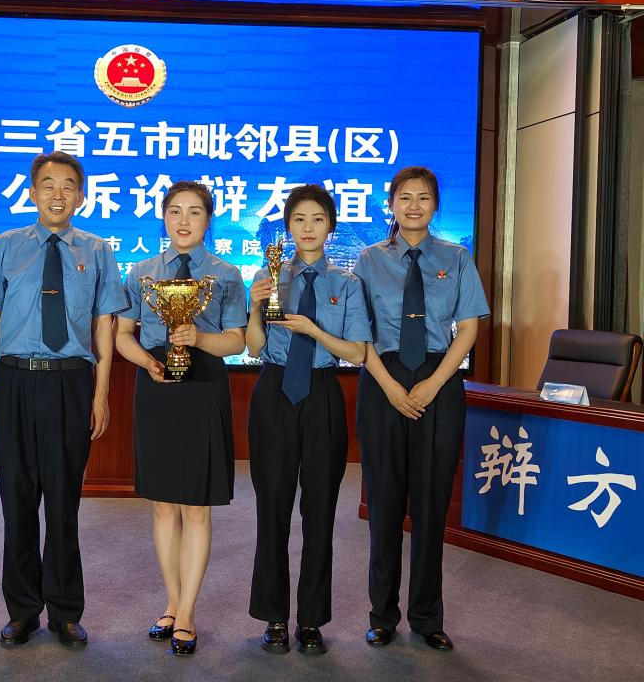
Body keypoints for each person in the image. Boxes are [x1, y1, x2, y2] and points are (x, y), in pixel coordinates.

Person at [0, 150, 126, 649]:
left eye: (67, 186)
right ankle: (22, 611)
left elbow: (104, 325)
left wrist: (100, 394)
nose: (57, 194)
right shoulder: (6, 246)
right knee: (17, 501)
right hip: (14, 381)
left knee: (64, 503)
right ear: (32, 192)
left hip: (70, 381)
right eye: (48, 185)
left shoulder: (97, 250)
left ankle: (65, 611)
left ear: (81, 196)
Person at [352, 165, 489, 651]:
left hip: (439, 378)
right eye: (405, 197)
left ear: (435, 205)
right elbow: (358, 331)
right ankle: (382, 616)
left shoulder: (457, 257)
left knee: (431, 506)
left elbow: (468, 328)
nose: (413, 205)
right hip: (382, 378)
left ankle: (428, 617)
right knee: (385, 504)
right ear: (391, 203)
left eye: (424, 197)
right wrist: (390, 386)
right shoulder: (369, 259)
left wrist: (434, 382)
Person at [115, 180, 246, 656]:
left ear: (208, 220)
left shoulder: (226, 274)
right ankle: (172, 603)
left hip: (204, 386)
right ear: (164, 217)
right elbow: (122, 335)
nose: (184, 220)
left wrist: (199, 339)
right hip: (157, 384)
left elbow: (238, 340)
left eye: (194, 212)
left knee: (195, 507)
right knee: (163, 506)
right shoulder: (142, 272)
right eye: (175, 211)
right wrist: (148, 363)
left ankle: (187, 612)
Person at [244, 184, 370, 655]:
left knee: (319, 512)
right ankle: (274, 617)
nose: (308, 228)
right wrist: (255, 306)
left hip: (322, 393)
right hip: (273, 390)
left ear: (330, 227)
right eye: (299, 220)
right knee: (272, 508)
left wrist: (313, 330)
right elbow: (253, 347)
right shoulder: (268, 275)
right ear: (288, 227)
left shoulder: (346, 284)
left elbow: (356, 352)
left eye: (317, 219)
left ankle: (311, 620)